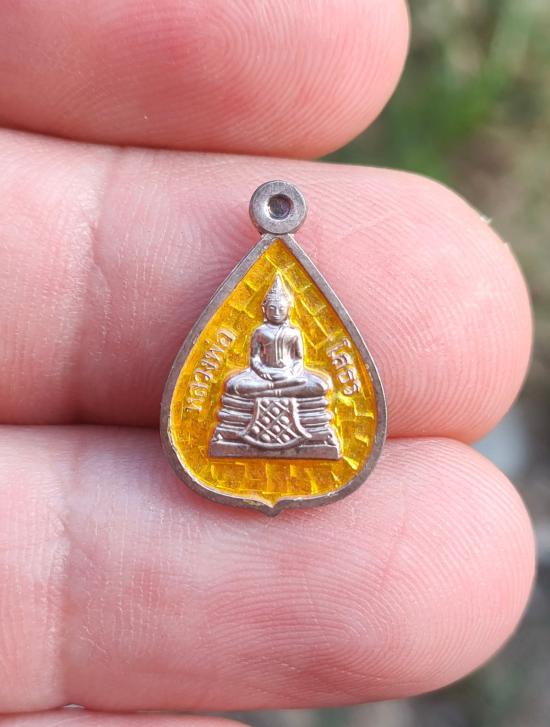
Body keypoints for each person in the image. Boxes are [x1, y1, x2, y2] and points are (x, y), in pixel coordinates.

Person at [0, 1, 535, 725]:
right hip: (258, 389)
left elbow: (297, 368)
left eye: (280, 309)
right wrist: (266, 369)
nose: (278, 318)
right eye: (274, 309)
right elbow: (256, 368)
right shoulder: (259, 333)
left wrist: (288, 369)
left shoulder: (291, 332)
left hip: (292, 388)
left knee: (309, 377)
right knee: (243, 379)